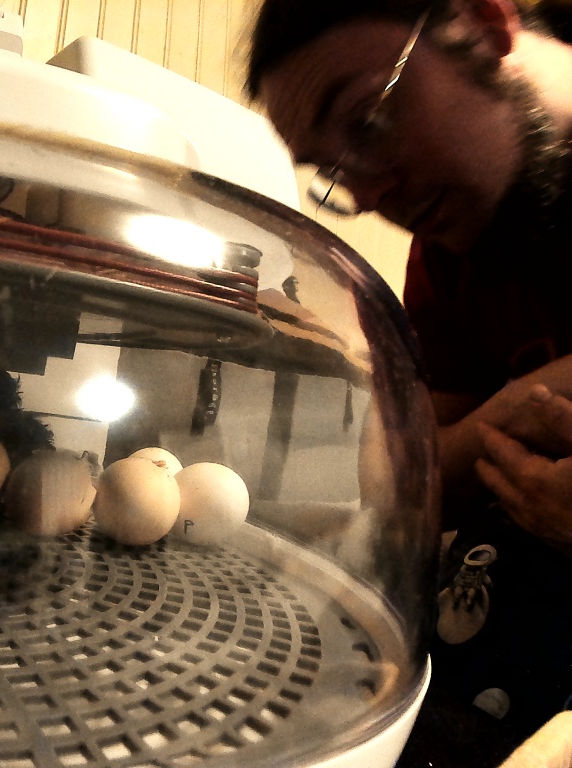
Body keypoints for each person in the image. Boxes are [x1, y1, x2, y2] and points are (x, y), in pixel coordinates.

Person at [245, 0, 572, 764]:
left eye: (367, 121)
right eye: (332, 171)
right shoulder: (453, 250)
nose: (368, 196)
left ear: (483, 24)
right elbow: (411, 480)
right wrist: (514, 409)